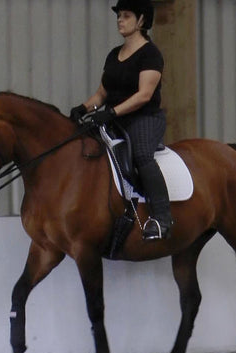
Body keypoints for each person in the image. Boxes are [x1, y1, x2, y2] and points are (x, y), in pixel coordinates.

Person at [70, 0, 173, 240]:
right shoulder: (114, 55)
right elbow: (101, 94)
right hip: (114, 119)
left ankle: (162, 218)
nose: (120, 19)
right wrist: (83, 108)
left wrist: (112, 112)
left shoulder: (151, 54)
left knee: (142, 155)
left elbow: (144, 95)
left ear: (141, 21)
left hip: (143, 118)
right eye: (119, 16)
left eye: (126, 15)